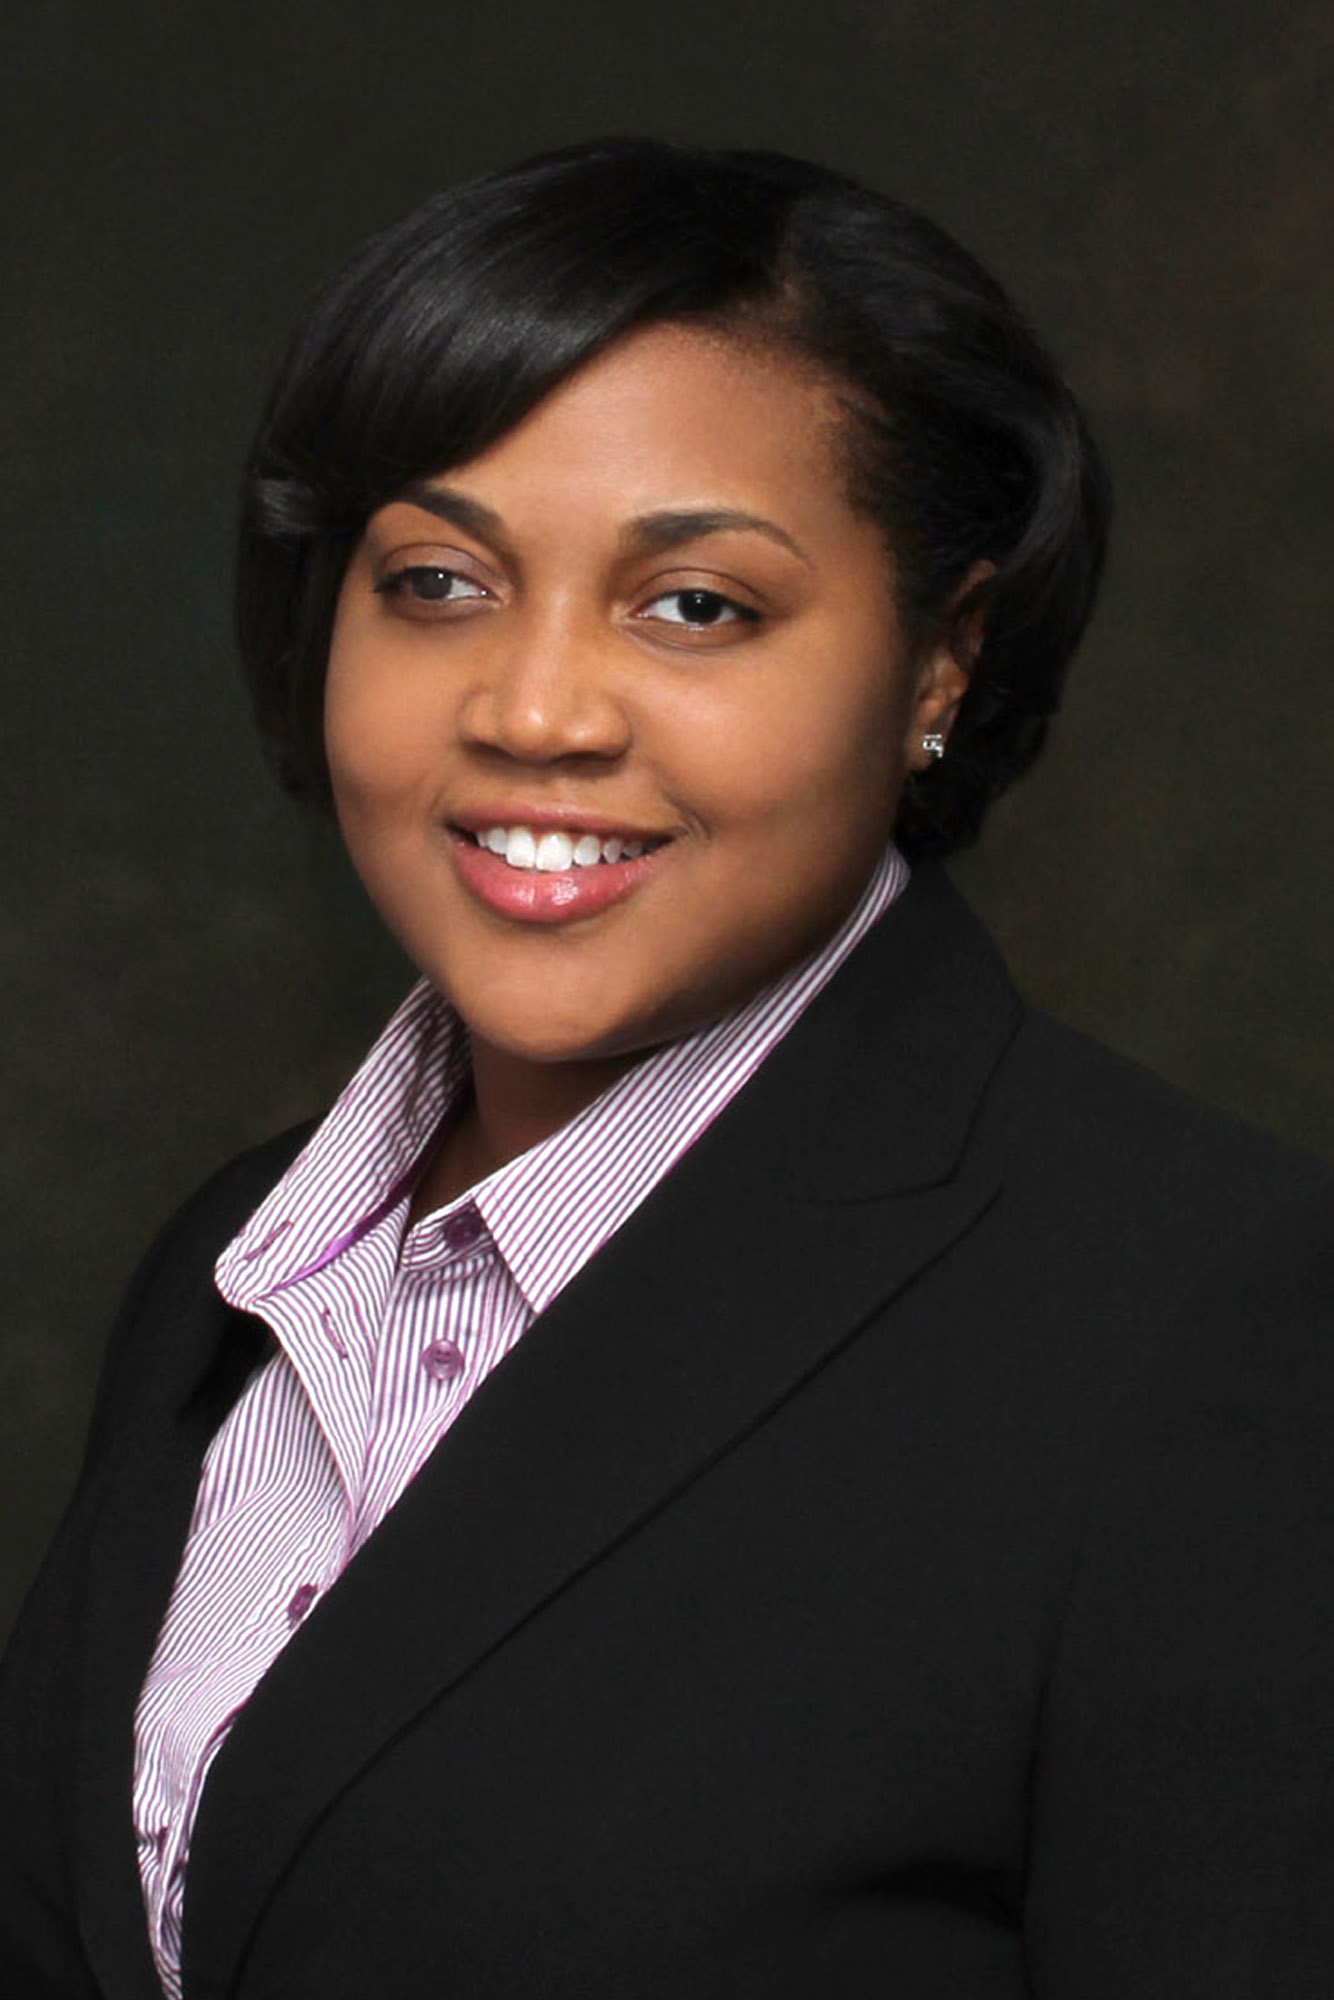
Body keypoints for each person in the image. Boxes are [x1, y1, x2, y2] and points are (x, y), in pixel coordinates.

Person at [2, 136, 1331, 2000]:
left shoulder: (1213, 1318)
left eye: (694, 605)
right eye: (438, 581)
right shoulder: (232, 1266)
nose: (535, 710)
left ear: (938, 663)